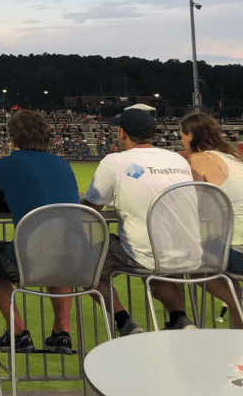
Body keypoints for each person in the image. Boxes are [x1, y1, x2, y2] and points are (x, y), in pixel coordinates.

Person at [81, 108, 196, 334]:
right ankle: (180, 318)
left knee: (82, 265)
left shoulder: (115, 161)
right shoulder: (176, 159)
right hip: (187, 251)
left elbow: (89, 211)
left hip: (144, 253)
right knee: (159, 267)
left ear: (122, 133)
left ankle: (125, 322)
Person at [0, 110, 81, 354]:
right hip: (77, 257)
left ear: (13, 139)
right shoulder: (63, 164)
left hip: (32, 256)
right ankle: (62, 333)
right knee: (59, 257)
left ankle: (18, 333)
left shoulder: (5, 164)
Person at [177, 112, 243, 328]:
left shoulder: (198, 159)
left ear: (191, 135)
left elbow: (192, 203)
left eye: (182, 135)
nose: (181, 140)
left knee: (193, 260)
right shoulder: (234, 158)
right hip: (234, 245)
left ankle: (237, 306)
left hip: (236, 249)